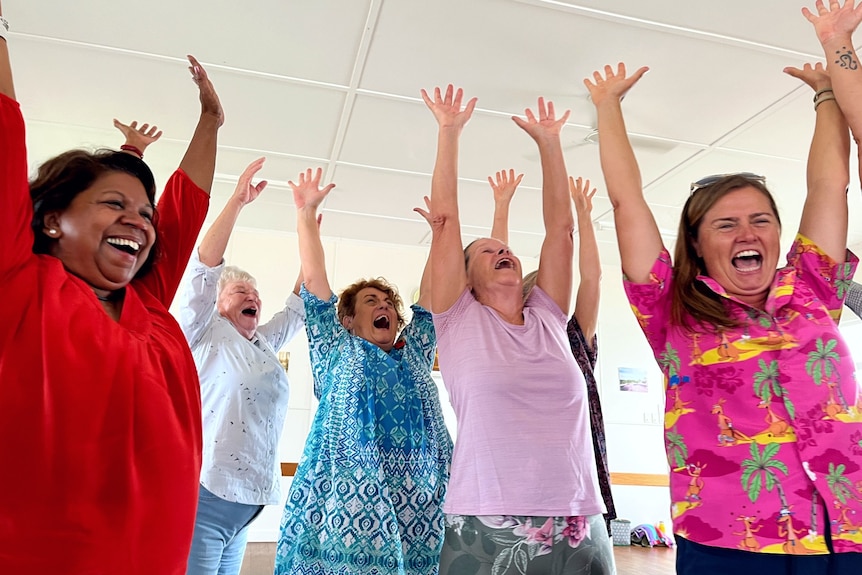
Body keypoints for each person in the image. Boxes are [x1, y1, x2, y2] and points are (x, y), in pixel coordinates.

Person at [585, 10, 862, 573]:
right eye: (726, 224)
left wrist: (828, 93)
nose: (748, 233)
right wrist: (607, 108)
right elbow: (627, 204)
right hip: (727, 539)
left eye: (761, 219)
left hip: (845, 526)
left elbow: (830, 184)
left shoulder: (811, 286)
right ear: (698, 242)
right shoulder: (670, 309)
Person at [0, 5, 224, 568]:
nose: (140, 222)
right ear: (52, 219)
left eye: (145, 214)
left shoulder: (149, 308)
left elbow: (182, 211)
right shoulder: (22, 285)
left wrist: (210, 123)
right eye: (113, 205)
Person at [422, 84, 614, 574]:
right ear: (465, 278)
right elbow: (444, 224)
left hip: (579, 515)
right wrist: (449, 132)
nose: (500, 250)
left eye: (503, 247)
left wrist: (550, 143)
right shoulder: (458, 318)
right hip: (488, 516)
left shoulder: (549, 315)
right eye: (485, 251)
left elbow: (560, 232)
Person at [274, 168, 452, 575]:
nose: (384, 306)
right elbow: (316, 283)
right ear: (349, 319)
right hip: (345, 508)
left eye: (388, 302)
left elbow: (429, 297)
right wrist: (305, 215)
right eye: (371, 301)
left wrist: (440, 235)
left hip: (420, 504)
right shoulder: (336, 348)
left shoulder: (416, 351)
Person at [178, 158, 307, 575]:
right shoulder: (204, 332)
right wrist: (236, 202)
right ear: (217, 302)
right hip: (208, 494)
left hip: (249, 502)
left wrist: (310, 232)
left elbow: (299, 307)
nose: (253, 295)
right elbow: (203, 269)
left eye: (255, 291)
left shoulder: (263, 343)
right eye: (239, 290)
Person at [513, 175, 618, 538]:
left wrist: (585, 217)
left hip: (578, 459)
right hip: (527, 460)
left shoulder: (572, 334)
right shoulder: (511, 344)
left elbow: (593, 278)